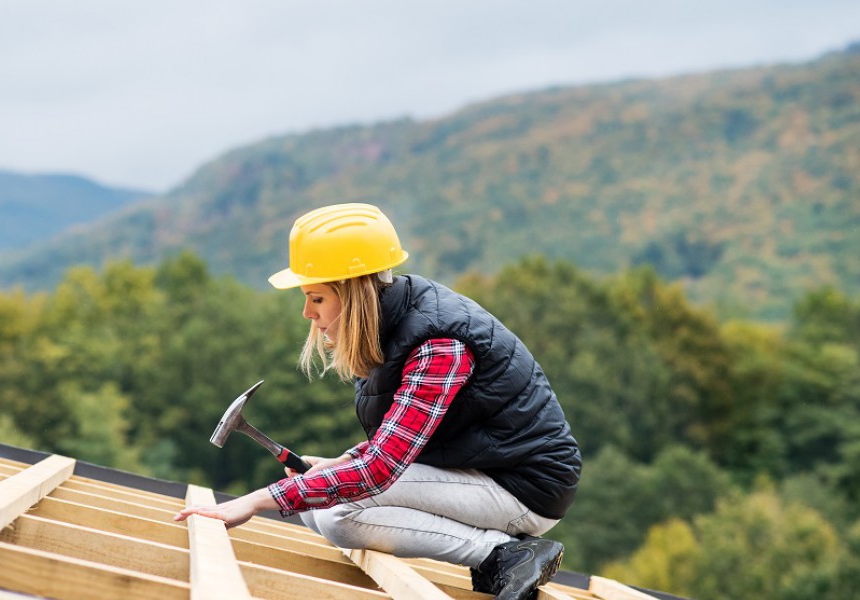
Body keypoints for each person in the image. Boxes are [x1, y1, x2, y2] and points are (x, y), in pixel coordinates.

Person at [174, 203, 581, 600]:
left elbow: (382, 468)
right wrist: (344, 461)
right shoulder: (396, 326)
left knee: (337, 513)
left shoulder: (439, 346)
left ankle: (502, 553)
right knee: (314, 505)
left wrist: (253, 502)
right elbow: (407, 435)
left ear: (352, 294)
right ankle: (496, 549)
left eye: (316, 298)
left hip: (523, 488)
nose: (306, 313)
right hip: (477, 470)